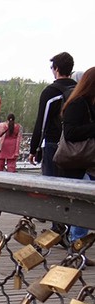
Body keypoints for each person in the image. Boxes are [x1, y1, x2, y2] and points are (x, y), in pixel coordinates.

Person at [60, 67, 95, 254]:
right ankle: (76, 248)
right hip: (79, 163)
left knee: (86, 206)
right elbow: (71, 133)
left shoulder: (88, 103)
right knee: (83, 205)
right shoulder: (78, 104)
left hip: (88, 162)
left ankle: (78, 248)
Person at [28, 52, 77, 175]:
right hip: (77, 146)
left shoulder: (50, 92)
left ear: (57, 69)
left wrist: (34, 149)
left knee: (52, 186)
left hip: (54, 145)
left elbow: (41, 123)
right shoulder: (80, 90)